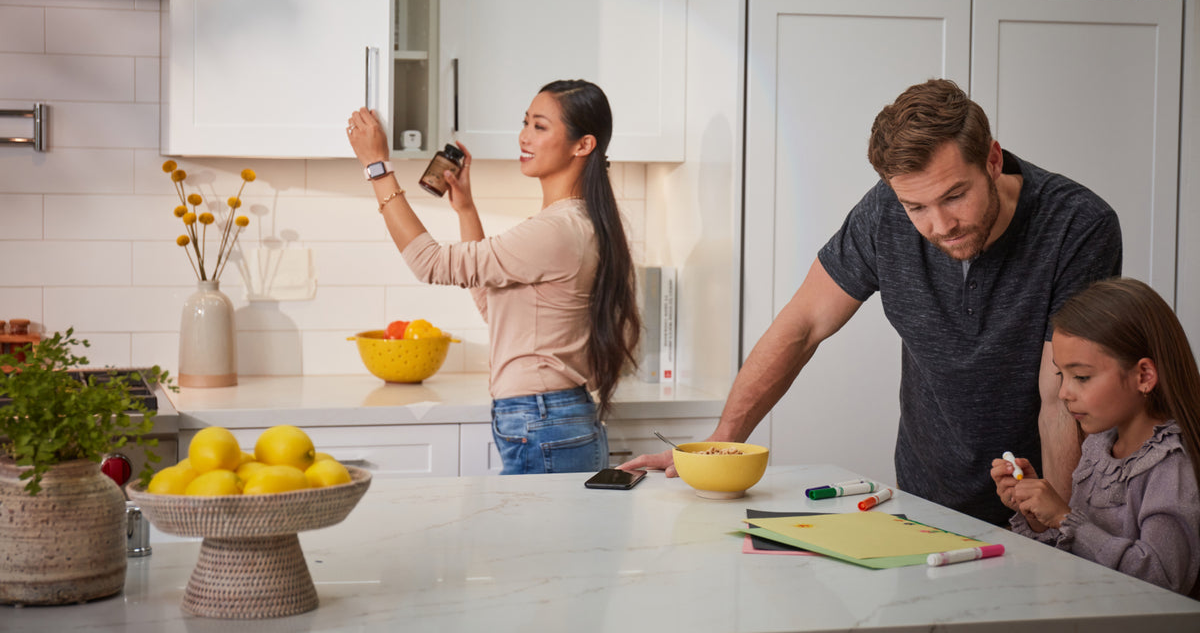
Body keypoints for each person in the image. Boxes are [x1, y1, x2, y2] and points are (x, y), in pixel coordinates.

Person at [621, 79, 1122, 525]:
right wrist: (718, 446)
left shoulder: (1077, 226)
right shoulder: (883, 213)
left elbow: (1060, 393)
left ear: (993, 160)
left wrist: (1062, 526)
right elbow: (802, 327)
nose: (940, 226)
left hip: (1035, 500)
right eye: (917, 207)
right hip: (922, 503)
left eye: (954, 196)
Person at [347, 79, 640, 475]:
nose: (524, 136)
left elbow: (429, 262)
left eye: (540, 126)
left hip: (541, 420)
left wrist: (376, 167)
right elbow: (494, 306)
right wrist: (466, 210)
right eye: (525, 123)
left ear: (582, 145)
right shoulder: (576, 222)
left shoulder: (557, 230)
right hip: (547, 418)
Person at [992, 278, 1200, 598]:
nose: (1064, 393)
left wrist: (1064, 518)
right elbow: (1078, 554)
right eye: (1062, 375)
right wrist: (1037, 516)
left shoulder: (1170, 465)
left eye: (1082, 377)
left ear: (1143, 376)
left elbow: (1164, 580)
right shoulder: (1098, 447)